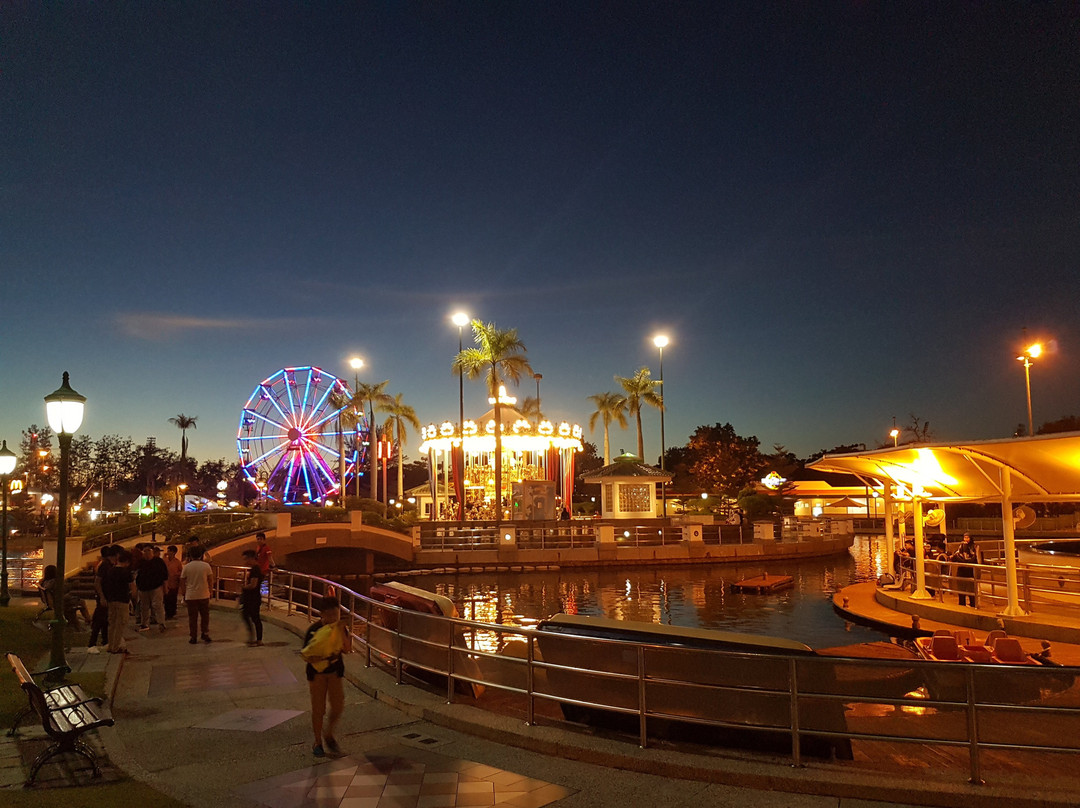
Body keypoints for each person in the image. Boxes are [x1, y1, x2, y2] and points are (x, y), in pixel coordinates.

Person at [302, 596, 352, 757]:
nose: (332, 618)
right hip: (317, 674)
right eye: (329, 615)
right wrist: (324, 657)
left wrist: (343, 630)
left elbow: (347, 649)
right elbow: (307, 655)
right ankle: (317, 742)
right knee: (319, 709)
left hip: (335, 671)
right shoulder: (313, 630)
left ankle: (329, 733)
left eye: (335, 614)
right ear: (322, 614)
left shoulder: (340, 628)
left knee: (338, 705)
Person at [180, 546, 214, 644]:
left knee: (192, 617)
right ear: (201, 555)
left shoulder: (187, 567)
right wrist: (210, 591)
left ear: (190, 555)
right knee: (205, 616)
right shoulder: (206, 566)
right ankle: (205, 633)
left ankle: (193, 636)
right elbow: (210, 580)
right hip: (204, 594)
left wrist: (184, 592)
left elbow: (182, 580)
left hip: (191, 595)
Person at [104, 550, 136, 654]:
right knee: (120, 623)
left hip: (111, 600)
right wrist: (134, 597)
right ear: (127, 561)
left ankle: (110, 645)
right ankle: (116, 646)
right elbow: (132, 587)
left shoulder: (110, 571)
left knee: (112, 623)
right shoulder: (126, 572)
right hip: (122, 600)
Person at [136, 544, 169, 631]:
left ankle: (161, 623)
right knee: (144, 607)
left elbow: (165, 576)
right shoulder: (140, 562)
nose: (146, 553)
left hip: (156, 587)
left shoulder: (158, 561)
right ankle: (144, 623)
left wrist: (165, 588)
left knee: (158, 605)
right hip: (143, 588)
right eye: (145, 551)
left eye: (148, 550)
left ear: (152, 551)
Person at [239, 548, 264, 646]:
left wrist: (244, 587)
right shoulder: (255, 569)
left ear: (252, 558)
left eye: (246, 559)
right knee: (251, 617)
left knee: (253, 617)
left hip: (253, 598)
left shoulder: (255, 570)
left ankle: (257, 639)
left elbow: (253, 585)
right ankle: (255, 638)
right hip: (253, 597)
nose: (245, 562)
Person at [951, 533, 981, 608]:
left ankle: (973, 605)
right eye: (965, 537)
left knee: (971, 589)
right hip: (962, 570)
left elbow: (975, 558)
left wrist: (965, 561)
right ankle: (962, 604)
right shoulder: (961, 546)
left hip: (970, 571)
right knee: (961, 589)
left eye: (967, 537)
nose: (966, 539)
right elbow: (956, 556)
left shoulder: (975, 547)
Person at [163, 544, 183, 620]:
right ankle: (167, 613)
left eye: (170, 551)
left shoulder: (177, 562)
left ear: (174, 552)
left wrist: (176, 574)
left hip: (174, 583)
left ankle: (171, 613)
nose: (168, 552)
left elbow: (181, 571)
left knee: (173, 599)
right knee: (166, 599)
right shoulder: (165, 560)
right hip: (166, 583)